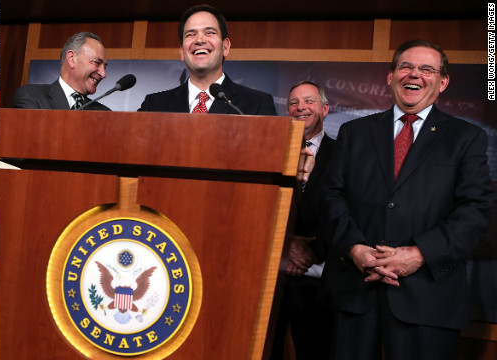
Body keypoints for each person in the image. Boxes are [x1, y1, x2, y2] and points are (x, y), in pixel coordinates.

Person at [321, 39, 496, 360]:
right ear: (390, 76)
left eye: (426, 69)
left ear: (442, 82)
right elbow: (330, 197)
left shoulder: (466, 138)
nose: (414, 74)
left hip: (428, 297)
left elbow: (475, 212)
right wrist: (355, 248)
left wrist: (419, 254)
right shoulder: (353, 132)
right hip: (355, 291)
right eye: (406, 66)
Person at [278, 81, 334, 360]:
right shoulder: (269, 151)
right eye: (294, 103)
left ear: (325, 108)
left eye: (309, 101)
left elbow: (350, 210)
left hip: (318, 278)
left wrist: (310, 251)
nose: (300, 108)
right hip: (272, 276)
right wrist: (285, 244)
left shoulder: (344, 154)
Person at [138, 4, 276, 115]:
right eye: (191, 34)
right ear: (181, 52)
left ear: (225, 47)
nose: (199, 40)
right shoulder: (154, 104)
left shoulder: (257, 103)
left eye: (209, 32)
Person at [13, 31, 110, 110]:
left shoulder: (104, 113)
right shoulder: (32, 97)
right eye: (97, 62)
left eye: (104, 67)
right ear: (72, 59)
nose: (103, 74)